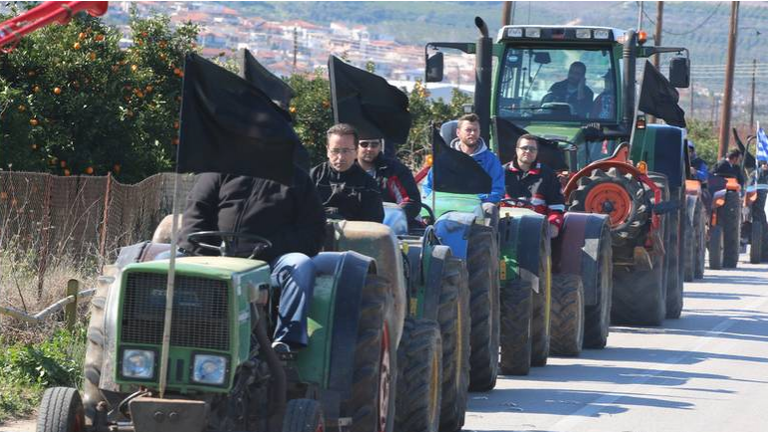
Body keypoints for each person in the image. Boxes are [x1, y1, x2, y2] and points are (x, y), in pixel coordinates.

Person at [178, 168, 327, 353]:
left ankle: (286, 340)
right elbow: (195, 212)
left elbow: (314, 232)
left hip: (268, 264)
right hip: (212, 257)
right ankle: (157, 334)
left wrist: (269, 249)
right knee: (162, 261)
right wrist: (201, 253)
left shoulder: (297, 179)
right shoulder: (220, 170)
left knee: (300, 264)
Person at [422, 113, 505, 203]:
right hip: (446, 206)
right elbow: (428, 187)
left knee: (490, 208)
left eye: (475, 130)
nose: (472, 133)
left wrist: (472, 200)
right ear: (458, 132)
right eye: (468, 130)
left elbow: (497, 190)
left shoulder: (491, 160)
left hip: (479, 207)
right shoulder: (444, 158)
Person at [311, 123, 385, 222]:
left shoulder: (367, 184)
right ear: (327, 150)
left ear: (356, 151)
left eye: (346, 151)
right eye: (335, 151)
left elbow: (373, 224)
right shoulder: (312, 177)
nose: (340, 157)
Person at [503, 134, 565, 238]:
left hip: (536, 231)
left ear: (537, 152)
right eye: (524, 148)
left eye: (532, 149)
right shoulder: (501, 172)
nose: (528, 151)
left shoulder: (548, 175)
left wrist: (553, 224)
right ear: (516, 150)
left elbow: (556, 206)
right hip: (504, 228)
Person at [356, 136, 422, 225]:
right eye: (364, 144)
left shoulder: (396, 170)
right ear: (355, 145)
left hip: (393, 227)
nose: (369, 149)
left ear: (380, 146)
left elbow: (411, 202)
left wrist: (390, 219)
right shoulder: (345, 170)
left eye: (374, 144)